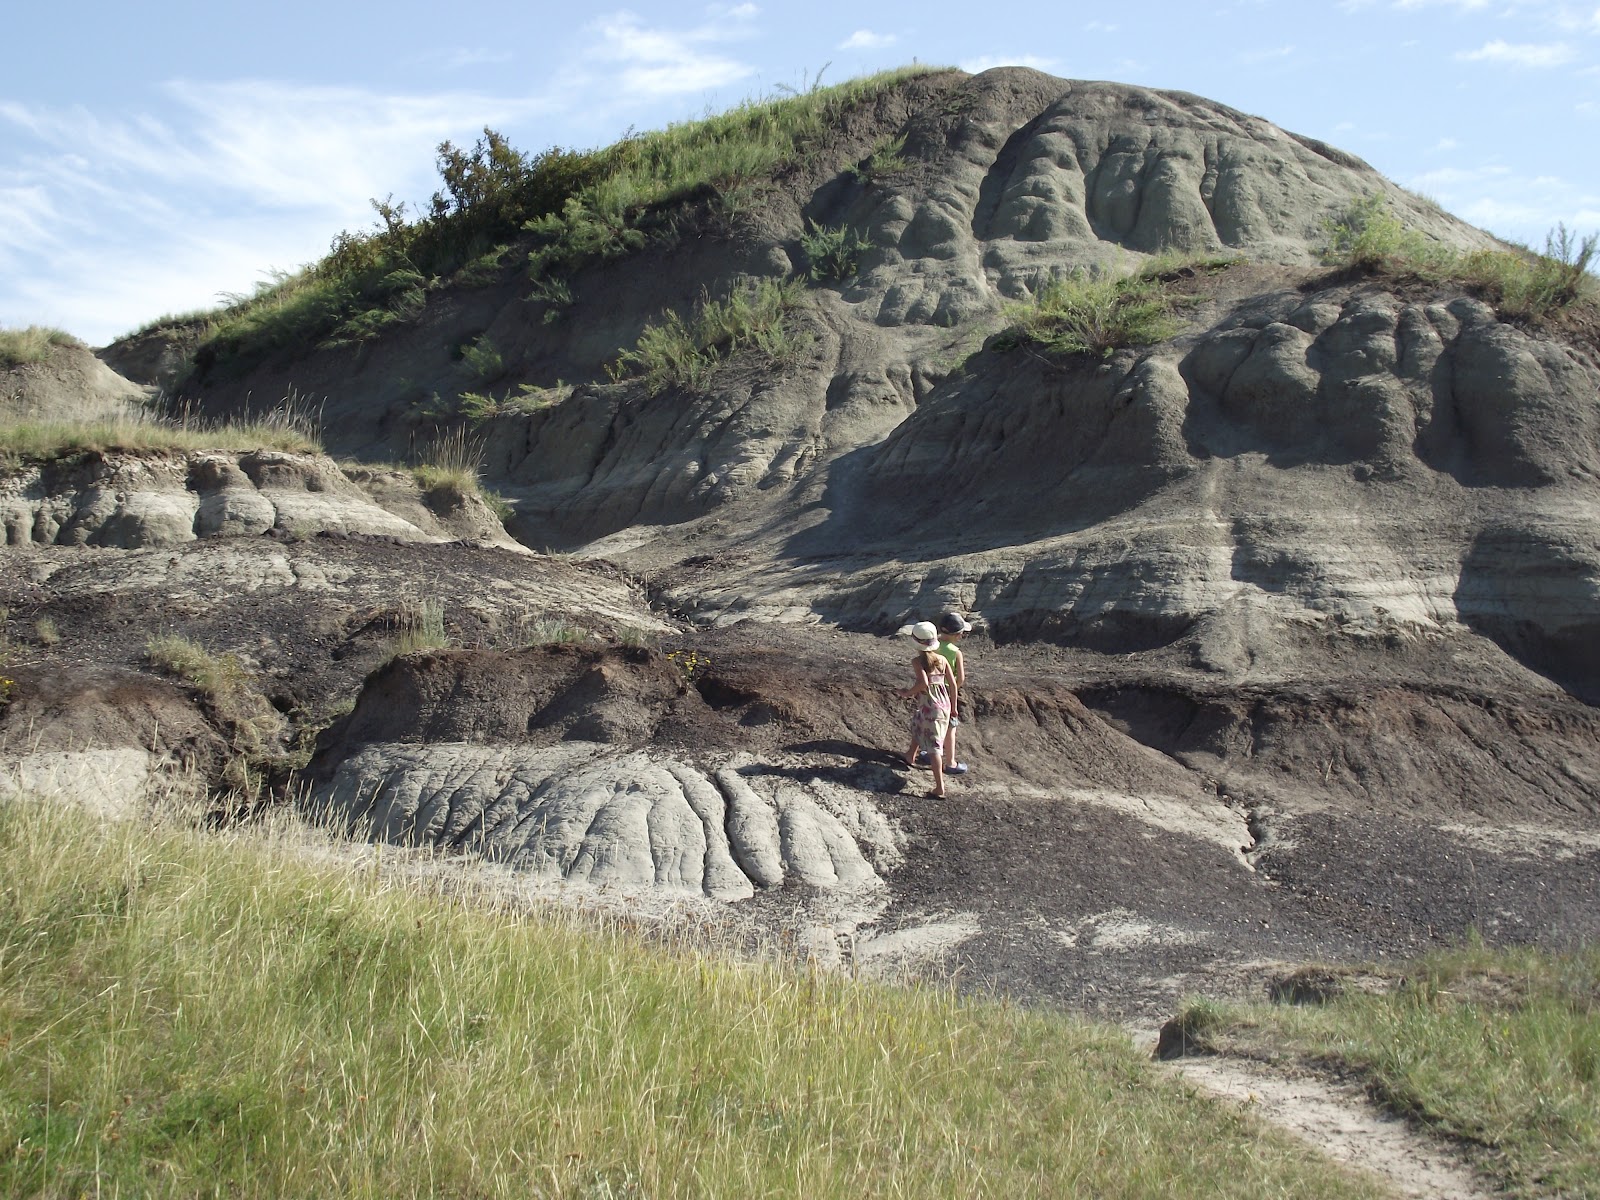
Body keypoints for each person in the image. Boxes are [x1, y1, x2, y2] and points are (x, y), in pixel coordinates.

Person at [898, 620, 956, 798]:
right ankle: (910, 755)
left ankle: (939, 787)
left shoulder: (917, 661)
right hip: (943, 705)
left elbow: (923, 683)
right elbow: (952, 685)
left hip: (930, 707)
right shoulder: (943, 660)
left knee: (934, 748)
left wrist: (907, 693)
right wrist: (954, 707)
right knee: (917, 723)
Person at [935, 611, 972, 775]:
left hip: (930, 691)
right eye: (960, 632)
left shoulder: (932, 647)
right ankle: (950, 762)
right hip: (947, 694)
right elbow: (960, 678)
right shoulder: (956, 652)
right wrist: (952, 690)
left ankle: (930, 753)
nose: (961, 635)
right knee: (950, 728)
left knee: (932, 725)